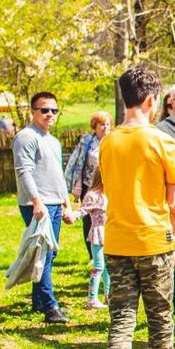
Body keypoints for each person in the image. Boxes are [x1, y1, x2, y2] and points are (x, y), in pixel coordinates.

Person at [99, 66, 175, 349]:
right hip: (154, 240)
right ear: (153, 100)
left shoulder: (108, 141)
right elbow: (174, 204)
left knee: (121, 320)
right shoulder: (161, 141)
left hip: (117, 241)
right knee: (159, 318)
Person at [12, 91, 74, 323]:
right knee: (44, 253)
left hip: (55, 203)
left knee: (49, 253)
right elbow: (23, 171)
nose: (50, 114)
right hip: (38, 204)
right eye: (44, 110)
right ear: (33, 112)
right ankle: (50, 307)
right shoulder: (26, 137)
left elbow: (58, 175)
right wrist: (37, 201)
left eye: (54, 110)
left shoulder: (53, 140)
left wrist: (66, 203)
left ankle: (39, 300)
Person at [64, 110, 112, 258]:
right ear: (95, 126)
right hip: (90, 186)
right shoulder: (87, 141)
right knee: (89, 218)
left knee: (107, 217)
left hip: (109, 186)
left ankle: (109, 251)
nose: (105, 127)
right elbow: (75, 161)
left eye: (107, 124)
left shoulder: (114, 140)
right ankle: (93, 254)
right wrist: (71, 184)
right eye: (101, 124)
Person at [72, 168, 110, 309]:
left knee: (108, 267)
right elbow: (83, 211)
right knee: (99, 266)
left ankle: (108, 295)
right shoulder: (93, 195)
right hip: (98, 233)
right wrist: (72, 217)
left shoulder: (109, 194)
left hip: (109, 234)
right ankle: (92, 298)